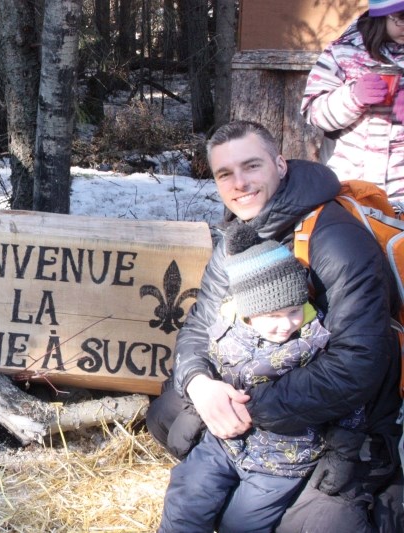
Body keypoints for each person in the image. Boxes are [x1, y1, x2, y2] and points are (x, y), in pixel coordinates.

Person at [146, 121, 403, 532]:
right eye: (224, 174)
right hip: (258, 386)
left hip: (337, 415)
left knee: (320, 521)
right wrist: (200, 384)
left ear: (280, 165)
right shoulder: (240, 234)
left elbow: (359, 364)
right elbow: (200, 324)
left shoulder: (336, 240)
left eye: (251, 166)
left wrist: (251, 406)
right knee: (169, 417)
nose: (239, 183)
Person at [159, 224, 364, 532]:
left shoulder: (315, 341)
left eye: (294, 310)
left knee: (242, 522)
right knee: (187, 494)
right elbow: (202, 360)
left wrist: (344, 449)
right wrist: (197, 395)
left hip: (284, 461)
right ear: (249, 312)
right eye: (273, 316)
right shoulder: (227, 332)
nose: (286, 324)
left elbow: (347, 400)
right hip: (225, 443)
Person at [301, 0, 404, 200]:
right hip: (350, 187)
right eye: (402, 18)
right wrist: (352, 97)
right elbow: (312, 112)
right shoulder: (344, 51)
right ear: (383, 13)